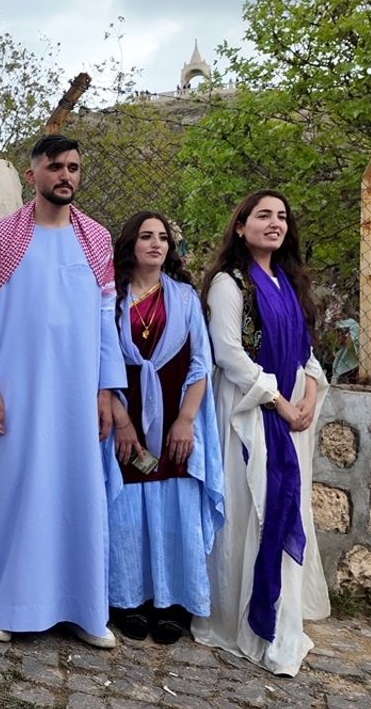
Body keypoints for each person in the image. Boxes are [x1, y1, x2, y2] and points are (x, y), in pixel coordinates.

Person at [0, 135, 124, 649]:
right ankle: (7, 606)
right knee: (16, 491)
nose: (66, 175)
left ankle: (85, 610)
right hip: (16, 391)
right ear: (32, 172)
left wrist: (107, 390)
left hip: (79, 394)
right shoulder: (1, 237)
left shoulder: (98, 239)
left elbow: (108, 320)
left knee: (79, 492)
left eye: (74, 167)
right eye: (55, 166)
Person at [191, 189, 330, 676]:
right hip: (250, 414)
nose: (275, 223)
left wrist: (310, 394)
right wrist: (279, 401)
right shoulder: (231, 285)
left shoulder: (287, 283)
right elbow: (228, 353)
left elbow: (307, 352)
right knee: (252, 508)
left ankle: (280, 614)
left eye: (282, 217)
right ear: (240, 225)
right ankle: (241, 621)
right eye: (263, 215)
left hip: (290, 414)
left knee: (284, 506)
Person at [104, 211, 224, 645]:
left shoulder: (187, 298)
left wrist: (186, 420)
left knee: (175, 503)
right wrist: (121, 422)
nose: (155, 244)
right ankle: (127, 599)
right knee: (126, 507)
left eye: (162, 238)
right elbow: (102, 360)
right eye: (145, 237)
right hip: (124, 420)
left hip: (175, 419)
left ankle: (173, 604)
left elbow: (199, 364)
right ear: (130, 244)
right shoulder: (111, 298)